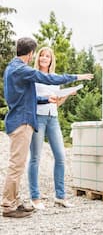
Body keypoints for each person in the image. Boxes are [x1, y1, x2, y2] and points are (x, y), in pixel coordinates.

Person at [1, 37, 93, 218]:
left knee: (18, 165)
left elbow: (26, 98)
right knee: (16, 165)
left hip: (23, 118)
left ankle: (15, 201)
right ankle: (8, 205)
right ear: (31, 54)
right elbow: (47, 78)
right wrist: (76, 77)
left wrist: (46, 99)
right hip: (22, 121)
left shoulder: (13, 67)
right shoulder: (22, 69)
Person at [28, 47, 77, 209]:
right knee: (35, 157)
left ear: (51, 59)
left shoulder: (55, 78)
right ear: (38, 58)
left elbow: (57, 103)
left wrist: (67, 95)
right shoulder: (33, 77)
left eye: (47, 56)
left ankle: (60, 196)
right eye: (41, 55)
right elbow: (31, 99)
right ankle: (35, 198)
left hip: (53, 119)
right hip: (38, 118)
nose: (44, 58)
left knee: (61, 157)